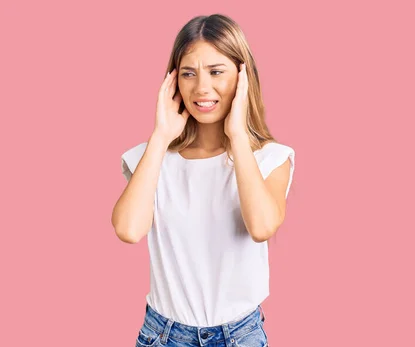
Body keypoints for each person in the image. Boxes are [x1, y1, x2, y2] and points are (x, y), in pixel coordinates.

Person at [111, 14, 295, 347]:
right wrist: (161, 136)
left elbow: (262, 227)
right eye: (188, 74)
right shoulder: (151, 158)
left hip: (241, 336)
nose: (202, 88)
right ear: (173, 81)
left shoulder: (269, 158)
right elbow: (128, 229)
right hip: (163, 335)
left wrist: (237, 135)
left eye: (216, 72)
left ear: (242, 78)